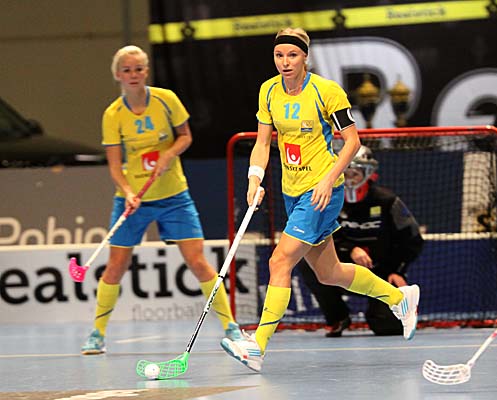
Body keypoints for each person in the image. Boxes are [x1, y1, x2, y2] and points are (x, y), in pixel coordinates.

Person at [219, 27, 420, 373]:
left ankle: (258, 347)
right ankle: (399, 298)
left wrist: (328, 179)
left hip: (322, 191)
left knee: (280, 261)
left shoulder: (326, 91)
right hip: (292, 190)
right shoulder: (269, 91)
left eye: (292, 55)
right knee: (329, 273)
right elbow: (263, 143)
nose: (285, 62)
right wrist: (254, 178)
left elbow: (352, 142)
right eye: (279, 55)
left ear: (305, 57)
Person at [80, 45, 242, 354]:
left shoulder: (166, 100)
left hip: (174, 196)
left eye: (138, 69)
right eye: (126, 70)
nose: (133, 75)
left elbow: (186, 136)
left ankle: (231, 326)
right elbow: (114, 166)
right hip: (133, 201)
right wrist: (128, 192)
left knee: (198, 262)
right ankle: (97, 334)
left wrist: (169, 154)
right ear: (117, 75)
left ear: (146, 71)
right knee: (115, 267)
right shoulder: (112, 115)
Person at [298, 145, 424, 337]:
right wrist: (351, 249)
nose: (349, 180)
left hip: (381, 273)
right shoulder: (327, 199)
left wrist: (397, 271)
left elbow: (412, 240)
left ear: (368, 173)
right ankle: (337, 318)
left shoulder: (387, 201)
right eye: (345, 173)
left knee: (387, 327)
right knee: (308, 262)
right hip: (341, 271)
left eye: (355, 174)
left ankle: (395, 305)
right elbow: (318, 235)